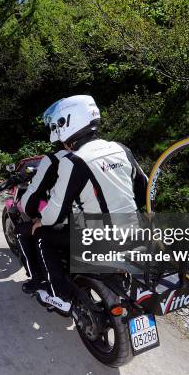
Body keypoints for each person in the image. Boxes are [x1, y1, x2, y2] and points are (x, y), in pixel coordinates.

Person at [30, 95, 148, 313]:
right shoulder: (121, 148)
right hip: (134, 232)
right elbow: (143, 192)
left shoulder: (73, 161)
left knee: (41, 236)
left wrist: (40, 221)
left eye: (56, 125)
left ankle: (59, 296)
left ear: (67, 123)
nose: (55, 131)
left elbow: (55, 212)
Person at [17, 100, 69, 294]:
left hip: (74, 224)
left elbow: (31, 199)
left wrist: (33, 214)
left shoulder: (54, 159)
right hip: (113, 222)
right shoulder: (113, 150)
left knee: (25, 231)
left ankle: (39, 280)